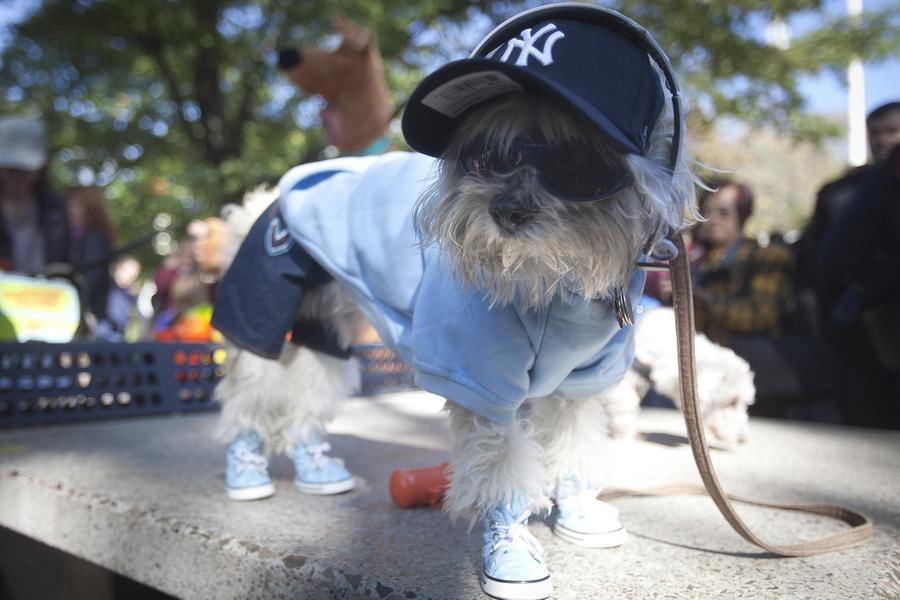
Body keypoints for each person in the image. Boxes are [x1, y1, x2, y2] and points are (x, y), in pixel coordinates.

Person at [690, 179, 796, 347]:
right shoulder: (698, 258)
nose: (713, 219)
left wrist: (705, 300)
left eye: (724, 212)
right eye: (706, 210)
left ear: (742, 215)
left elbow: (763, 316)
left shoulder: (767, 257)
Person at [0, 115, 70, 274]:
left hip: (45, 295)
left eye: (25, 170)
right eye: (11, 169)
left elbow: (68, 259)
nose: (18, 176)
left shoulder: (55, 209)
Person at [64, 185, 116, 322]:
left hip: (85, 316)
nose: (70, 210)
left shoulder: (95, 239)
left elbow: (89, 282)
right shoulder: (70, 238)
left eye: (76, 205)